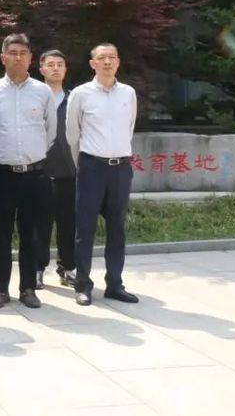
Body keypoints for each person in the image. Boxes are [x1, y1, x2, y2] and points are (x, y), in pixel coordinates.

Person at [0, 34, 57, 310]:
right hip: (2, 174)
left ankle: (28, 288)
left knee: (30, 234)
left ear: (30, 58)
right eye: (12, 53)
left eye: (23, 53)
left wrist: (33, 155)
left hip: (34, 175)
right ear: (3, 57)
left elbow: (50, 131)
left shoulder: (43, 92)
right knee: (1, 235)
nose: (18, 57)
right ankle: (0, 289)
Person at [66, 43, 140, 307]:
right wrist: (84, 163)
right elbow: (72, 134)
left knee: (117, 229)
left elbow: (129, 127)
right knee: (85, 229)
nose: (107, 62)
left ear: (118, 62)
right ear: (92, 63)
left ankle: (115, 284)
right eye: (102, 58)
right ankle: (83, 285)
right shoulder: (81, 94)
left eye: (112, 57)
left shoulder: (128, 93)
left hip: (121, 168)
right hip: (91, 168)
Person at [37, 50, 78, 289]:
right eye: (50, 64)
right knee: (38, 225)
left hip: (69, 172)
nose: (55, 68)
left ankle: (67, 269)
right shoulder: (34, 97)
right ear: (41, 69)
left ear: (65, 69)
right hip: (39, 172)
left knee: (68, 225)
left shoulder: (75, 99)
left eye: (60, 64)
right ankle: (37, 269)